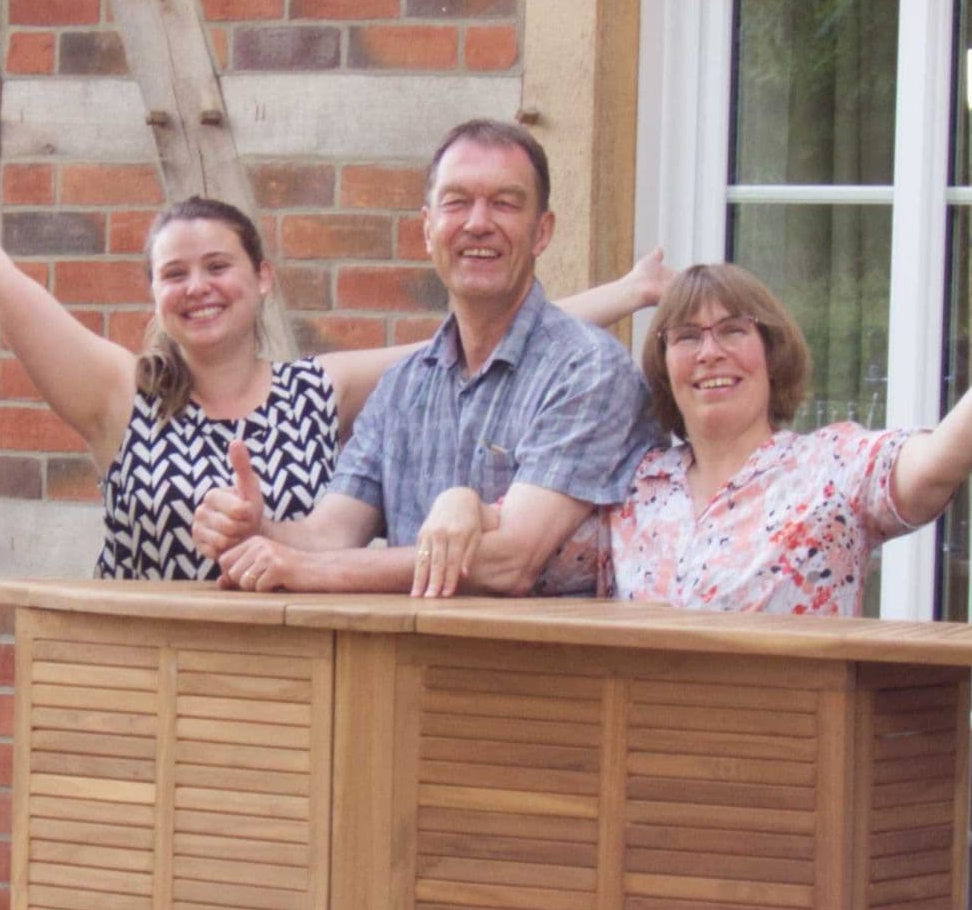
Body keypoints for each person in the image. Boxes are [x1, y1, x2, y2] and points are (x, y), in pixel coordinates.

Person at [0, 95, 663, 580]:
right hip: (150, 671)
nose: (198, 288)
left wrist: (621, 296)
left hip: (293, 685)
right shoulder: (121, 397)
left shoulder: (324, 391)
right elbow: (3, 288)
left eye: (219, 266)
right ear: (154, 296)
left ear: (263, 278)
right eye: (175, 273)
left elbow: (490, 337)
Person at [445, 250, 972, 615]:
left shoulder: (832, 464)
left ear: (771, 352)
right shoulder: (633, 485)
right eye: (686, 337)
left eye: (733, 331)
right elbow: (515, 547)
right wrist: (460, 503)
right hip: (651, 778)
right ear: (665, 365)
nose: (710, 353)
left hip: (791, 779)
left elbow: (940, 463)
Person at [189, 119, 655, 597]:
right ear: (428, 229)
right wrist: (256, 532)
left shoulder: (589, 370)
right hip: (408, 669)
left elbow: (513, 560)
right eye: (457, 202)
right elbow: (326, 537)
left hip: (542, 670)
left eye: (504, 203)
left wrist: (306, 571)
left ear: (542, 232)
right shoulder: (402, 387)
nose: (478, 223)